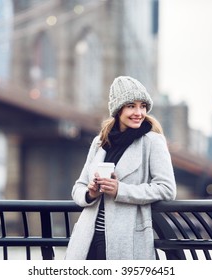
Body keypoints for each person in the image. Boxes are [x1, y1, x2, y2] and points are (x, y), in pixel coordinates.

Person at [65, 76, 177, 260]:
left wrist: (120, 190)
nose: (139, 112)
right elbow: (79, 186)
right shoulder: (100, 142)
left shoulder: (152, 142)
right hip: (87, 238)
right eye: (131, 106)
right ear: (118, 110)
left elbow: (167, 189)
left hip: (126, 239)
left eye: (143, 106)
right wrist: (90, 193)